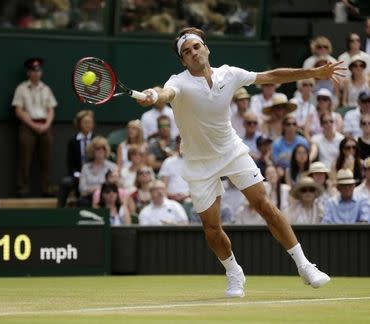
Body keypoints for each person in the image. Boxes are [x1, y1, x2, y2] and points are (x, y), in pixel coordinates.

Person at [137, 27, 343, 297]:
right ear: (184, 61)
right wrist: (153, 96)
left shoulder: (229, 74)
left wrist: (313, 73)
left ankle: (304, 265)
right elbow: (164, 93)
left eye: (197, 47)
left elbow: (272, 75)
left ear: (206, 49)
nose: (193, 53)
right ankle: (234, 272)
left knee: (265, 205)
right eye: (187, 52)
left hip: (231, 150)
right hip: (198, 163)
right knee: (211, 228)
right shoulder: (178, 82)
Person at [12, 57, 57, 197]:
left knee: (46, 158)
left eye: (38, 70)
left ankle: (46, 188)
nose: (36, 73)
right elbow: (18, 110)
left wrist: (47, 124)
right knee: (25, 157)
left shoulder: (46, 89)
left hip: (45, 125)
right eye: (33, 71)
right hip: (28, 125)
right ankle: (23, 188)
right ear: (28, 73)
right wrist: (33, 124)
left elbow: (51, 110)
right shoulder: (21, 88)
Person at [57, 110, 96, 207]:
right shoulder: (73, 141)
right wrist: (78, 175)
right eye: (85, 122)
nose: (88, 125)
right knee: (65, 182)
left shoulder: (97, 140)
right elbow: (70, 164)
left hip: (94, 175)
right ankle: (59, 210)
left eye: (90, 122)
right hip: (77, 175)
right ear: (79, 124)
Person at [78, 136, 117, 207]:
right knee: (82, 201)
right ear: (92, 151)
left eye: (103, 149)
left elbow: (112, 184)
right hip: (88, 196)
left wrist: (97, 189)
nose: (101, 151)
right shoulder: (85, 167)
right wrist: (96, 189)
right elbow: (82, 188)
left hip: (106, 197)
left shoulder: (112, 166)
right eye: (98, 149)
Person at [158, 135, 190, 204]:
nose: (181, 145)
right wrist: (172, 196)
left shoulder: (195, 162)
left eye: (184, 143)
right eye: (179, 143)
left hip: (191, 198)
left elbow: (197, 185)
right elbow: (164, 185)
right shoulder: (168, 162)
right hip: (171, 199)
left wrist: (187, 194)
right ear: (176, 145)